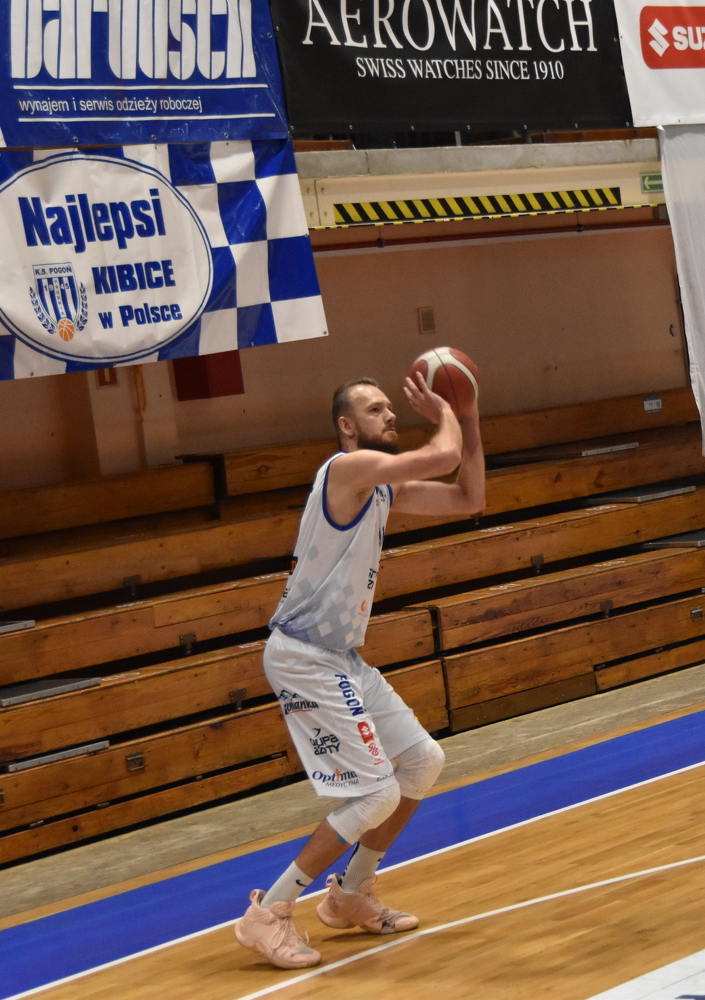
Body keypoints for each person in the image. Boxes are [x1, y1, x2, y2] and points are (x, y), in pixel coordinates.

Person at [233, 372, 485, 968]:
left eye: (392, 407)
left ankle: (350, 893)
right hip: (303, 656)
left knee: (422, 761)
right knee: (375, 793)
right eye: (377, 409)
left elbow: (467, 497)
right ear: (347, 426)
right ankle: (267, 913)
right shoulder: (344, 470)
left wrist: (470, 416)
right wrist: (447, 410)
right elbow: (442, 456)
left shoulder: (381, 489)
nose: (391, 415)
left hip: (340, 657)